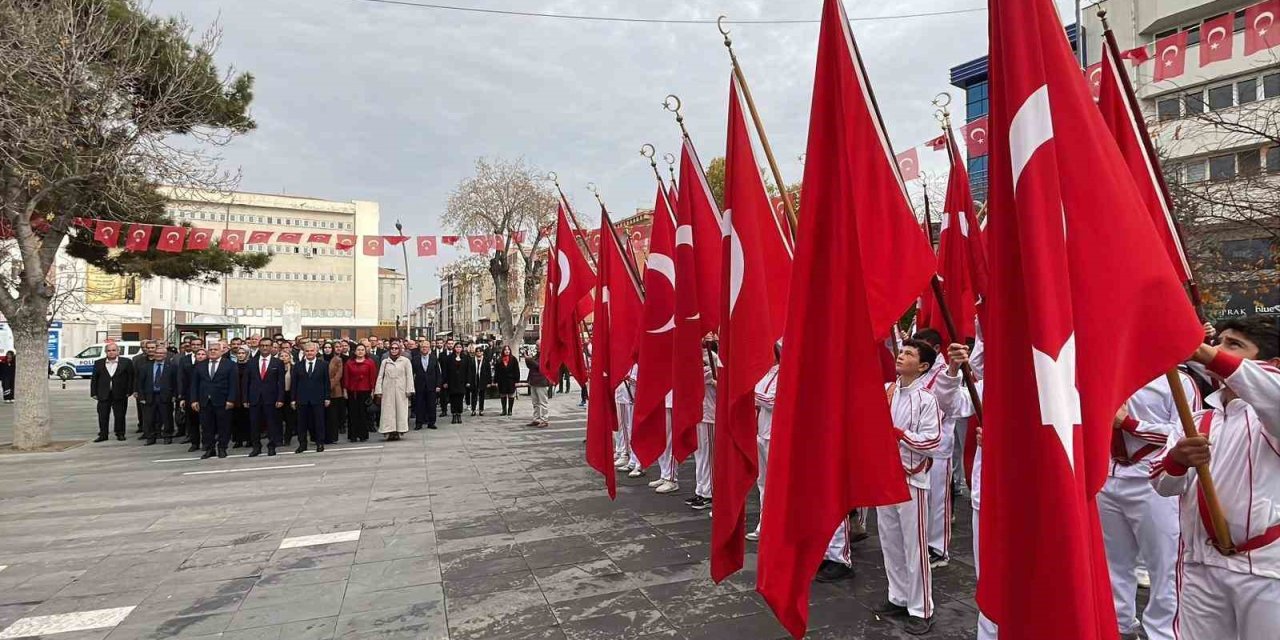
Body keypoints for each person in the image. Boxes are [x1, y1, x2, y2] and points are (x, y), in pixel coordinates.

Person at [1151, 317, 1280, 640]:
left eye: (1233, 345)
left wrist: (1203, 353)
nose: (1217, 349)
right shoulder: (1196, 418)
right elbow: (1162, 483)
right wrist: (1178, 460)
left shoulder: (1270, 413)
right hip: (1200, 566)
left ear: (1270, 363)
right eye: (1219, 341)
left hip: (1266, 571)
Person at [1100, 361, 1202, 640]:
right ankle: (1119, 626)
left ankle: (1164, 633)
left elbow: (1186, 436)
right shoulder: (1105, 374)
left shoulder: (1177, 382)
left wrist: (1130, 424)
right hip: (1109, 474)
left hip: (1155, 479)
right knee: (1112, 560)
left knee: (1165, 565)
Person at [870, 339, 941, 636]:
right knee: (890, 541)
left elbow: (932, 441)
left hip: (912, 479)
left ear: (923, 366)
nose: (901, 357)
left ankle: (921, 607)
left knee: (915, 546)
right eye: (901, 352)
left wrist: (900, 435)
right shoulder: (886, 390)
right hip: (885, 477)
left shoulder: (927, 400)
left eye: (909, 354)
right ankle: (897, 596)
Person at [933, 340, 996, 640]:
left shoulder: (1048, 384)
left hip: (1027, 498)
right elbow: (950, 404)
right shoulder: (989, 386)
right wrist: (954, 368)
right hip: (987, 492)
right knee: (987, 577)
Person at [911, 328, 956, 568]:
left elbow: (947, 402)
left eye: (921, 344)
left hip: (939, 444)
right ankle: (924, 541)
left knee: (938, 498)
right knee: (924, 498)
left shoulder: (944, 371)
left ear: (936, 348)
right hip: (916, 445)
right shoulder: (922, 370)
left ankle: (939, 548)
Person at [747, 342, 782, 540]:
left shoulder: (781, 373)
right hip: (760, 432)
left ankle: (773, 523)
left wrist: (750, 394)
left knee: (773, 482)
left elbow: (772, 401)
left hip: (773, 435)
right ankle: (764, 521)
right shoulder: (763, 373)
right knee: (762, 481)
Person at [191, 341, 236, 459]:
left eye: (215, 349)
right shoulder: (200, 365)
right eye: (210, 350)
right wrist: (194, 400)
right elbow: (194, 384)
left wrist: (231, 399)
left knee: (223, 426)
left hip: (223, 400)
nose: (213, 351)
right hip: (205, 401)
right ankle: (209, 449)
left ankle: (222, 448)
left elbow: (233, 384)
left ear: (221, 351)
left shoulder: (230, 365)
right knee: (206, 427)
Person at [687, 345, 718, 510]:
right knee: (699, 454)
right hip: (698, 411)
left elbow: (702, 376)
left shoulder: (711, 357)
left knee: (708, 455)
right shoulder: (692, 356)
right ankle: (701, 489)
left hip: (709, 413)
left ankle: (710, 493)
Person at [246, 339, 286, 457]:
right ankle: (256, 447)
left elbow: (281, 383)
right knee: (254, 424)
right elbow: (246, 382)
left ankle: (271, 446)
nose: (264, 348)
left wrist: (280, 398)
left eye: (267, 346)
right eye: (262, 345)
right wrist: (245, 399)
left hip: (271, 398)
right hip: (254, 398)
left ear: (271, 347)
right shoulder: (251, 362)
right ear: (259, 347)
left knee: (271, 423)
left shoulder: (277, 362)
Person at [90, 342, 135, 443]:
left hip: (120, 393)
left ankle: (120, 433)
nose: (111, 352)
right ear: (106, 352)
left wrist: (129, 391)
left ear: (118, 351)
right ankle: (103, 434)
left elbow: (131, 378)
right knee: (102, 415)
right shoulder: (99, 363)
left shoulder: (126, 362)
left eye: (114, 350)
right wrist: (93, 392)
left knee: (120, 415)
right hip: (103, 394)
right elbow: (94, 379)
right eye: (109, 350)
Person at [134, 345, 178, 445]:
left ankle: (167, 436)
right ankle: (151, 437)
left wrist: (174, 395)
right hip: (150, 396)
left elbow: (175, 382)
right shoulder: (145, 367)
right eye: (157, 353)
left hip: (165, 396)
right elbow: (140, 383)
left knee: (167, 417)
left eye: (161, 353)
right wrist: (141, 397)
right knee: (149, 418)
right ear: (154, 354)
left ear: (165, 355)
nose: (159, 355)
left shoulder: (171, 367)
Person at [292, 342, 330, 454]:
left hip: (318, 398)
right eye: (307, 351)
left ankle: (320, 443)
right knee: (301, 424)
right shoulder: (298, 365)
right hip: (302, 399)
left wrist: (327, 397)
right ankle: (302, 444)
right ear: (304, 352)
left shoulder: (323, 365)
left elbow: (326, 382)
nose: (309, 353)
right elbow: (294, 383)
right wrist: (293, 399)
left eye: (311, 351)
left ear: (316, 352)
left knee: (319, 422)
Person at [374, 340, 414, 440]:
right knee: (388, 411)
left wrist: (409, 389)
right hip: (387, 389)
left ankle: (399, 431)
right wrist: (378, 390)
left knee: (400, 410)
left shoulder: (405, 361)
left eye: (396, 348)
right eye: (392, 348)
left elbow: (409, 376)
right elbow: (380, 376)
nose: (394, 350)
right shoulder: (385, 361)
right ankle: (388, 431)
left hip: (401, 390)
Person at [344, 344, 377, 441]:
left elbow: (373, 377)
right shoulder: (349, 363)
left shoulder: (370, 362)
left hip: (365, 391)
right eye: (358, 350)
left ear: (365, 351)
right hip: (352, 391)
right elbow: (346, 378)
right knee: (352, 414)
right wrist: (345, 390)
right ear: (355, 351)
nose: (360, 351)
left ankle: (363, 435)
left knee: (363, 414)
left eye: (362, 350)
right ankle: (353, 435)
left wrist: (373, 390)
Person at [410, 337, 441, 430]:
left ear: (429, 348)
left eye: (426, 347)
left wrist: (438, 385)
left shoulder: (433, 358)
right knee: (419, 405)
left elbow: (438, 373)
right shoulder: (415, 359)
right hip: (419, 386)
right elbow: (411, 373)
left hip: (431, 385)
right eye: (423, 347)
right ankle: (419, 423)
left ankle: (431, 422)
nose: (424, 348)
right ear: (420, 348)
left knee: (431, 405)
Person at [616, 364, 640, 475]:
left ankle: (638, 462)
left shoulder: (635, 363)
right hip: (624, 395)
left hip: (632, 397)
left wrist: (629, 378)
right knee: (626, 428)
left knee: (634, 429)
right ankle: (631, 459)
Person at [442, 342, 473, 424]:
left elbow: (468, 371)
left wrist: (468, 381)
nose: (458, 348)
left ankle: (459, 414)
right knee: (453, 399)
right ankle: (454, 415)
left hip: (462, 382)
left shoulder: (466, 358)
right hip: (452, 381)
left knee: (460, 398)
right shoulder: (449, 358)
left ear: (462, 348)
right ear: (454, 348)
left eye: (460, 347)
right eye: (457, 347)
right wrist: (445, 381)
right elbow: (445, 371)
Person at [131, 340, 155, 436]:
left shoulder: (159, 359)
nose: (147, 349)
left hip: (157, 390)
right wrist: (135, 390)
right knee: (144, 412)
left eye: (151, 347)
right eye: (145, 347)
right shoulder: (138, 360)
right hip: (143, 390)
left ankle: (157, 431)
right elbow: (135, 376)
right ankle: (145, 431)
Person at [230, 346, 252, 448]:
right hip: (236, 396)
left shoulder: (251, 365)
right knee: (236, 419)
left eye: (243, 353)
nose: (241, 355)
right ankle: (238, 440)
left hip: (248, 395)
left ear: (247, 354)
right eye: (239, 353)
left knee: (248, 419)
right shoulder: (232, 366)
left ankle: (249, 439)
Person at [525, 348, 552, 428]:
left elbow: (539, 366)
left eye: (538, 346)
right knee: (535, 402)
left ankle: (544, 420)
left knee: (543, 402)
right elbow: (531, 366)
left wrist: (530, 360)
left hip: (541, 381)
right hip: (533, 380)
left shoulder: (545, 356)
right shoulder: (536, 355)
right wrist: (527, 360)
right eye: (536, 346)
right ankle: (536, 419)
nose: (537, 348)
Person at [493, 346, 521, 417]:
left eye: (508, 349)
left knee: (511, 395)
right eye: (505, 350)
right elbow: (497, 371)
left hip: (511, 380)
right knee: (503, 394)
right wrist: (495, 381)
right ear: (503, 351)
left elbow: (516, 370)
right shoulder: (499, 360)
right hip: (502, 380)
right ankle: (504, 410)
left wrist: (517, 380)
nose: (507, 351)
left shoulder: (513, 359)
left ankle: (510, 410)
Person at [326, 346, 345, 444]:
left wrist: (329, 386)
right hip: (321, 391)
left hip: (334, 390)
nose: (327, 349)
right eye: (325, 347)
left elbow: (338, 375)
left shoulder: (337, 360)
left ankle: (333, 437)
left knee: (333, 415)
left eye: (329, 347)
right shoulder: (319, 359)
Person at [278, 351, 297, 446]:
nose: (284, 357)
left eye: (286, 356)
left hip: (290, 395)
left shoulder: (294, 368)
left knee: (290, 419)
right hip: (278, 395)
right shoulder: (275, 368)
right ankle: (278, 438)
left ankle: (287, 438)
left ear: (290, 357)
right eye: (281, 356)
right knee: (278, 418)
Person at [471, 347, 492, 416]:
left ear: (482, 352)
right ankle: (473, 409)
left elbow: (489, 372)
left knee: (482, 395)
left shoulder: (486, 360)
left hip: (483, 379)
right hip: (474, 379)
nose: (478, 353)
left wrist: (489, 382)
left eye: (480, 351)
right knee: (474, 395)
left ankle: (481, 410)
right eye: (477, 351)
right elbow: (469, 371)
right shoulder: (472, 360)